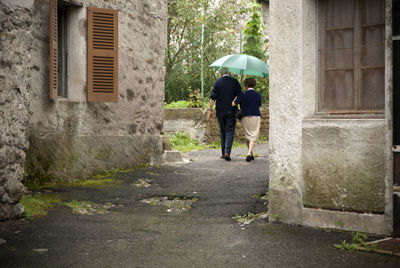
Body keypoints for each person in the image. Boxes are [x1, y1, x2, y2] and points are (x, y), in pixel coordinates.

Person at [208, 67, 242, 161]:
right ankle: (227, 152)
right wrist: (235, 102)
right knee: (230, 131)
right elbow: (240, 95)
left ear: (221, 74)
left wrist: (210, 110)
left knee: (222, 131)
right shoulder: (235, 82)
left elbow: (212, 97)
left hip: (220, 111)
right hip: (231, 110)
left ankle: (223, 153)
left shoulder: (217, 82)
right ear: (229, 73)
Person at [233, 77, 261, 162]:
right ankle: (249, 153)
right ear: (254, 85)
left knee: (247, 136)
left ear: (245, 85)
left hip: (244, 117)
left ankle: (251, 154)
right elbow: (259, 104)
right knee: (253, 135)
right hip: (255, 116)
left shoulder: (242, 94)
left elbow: (234, 104)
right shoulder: (258, 94)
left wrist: (235, 98)